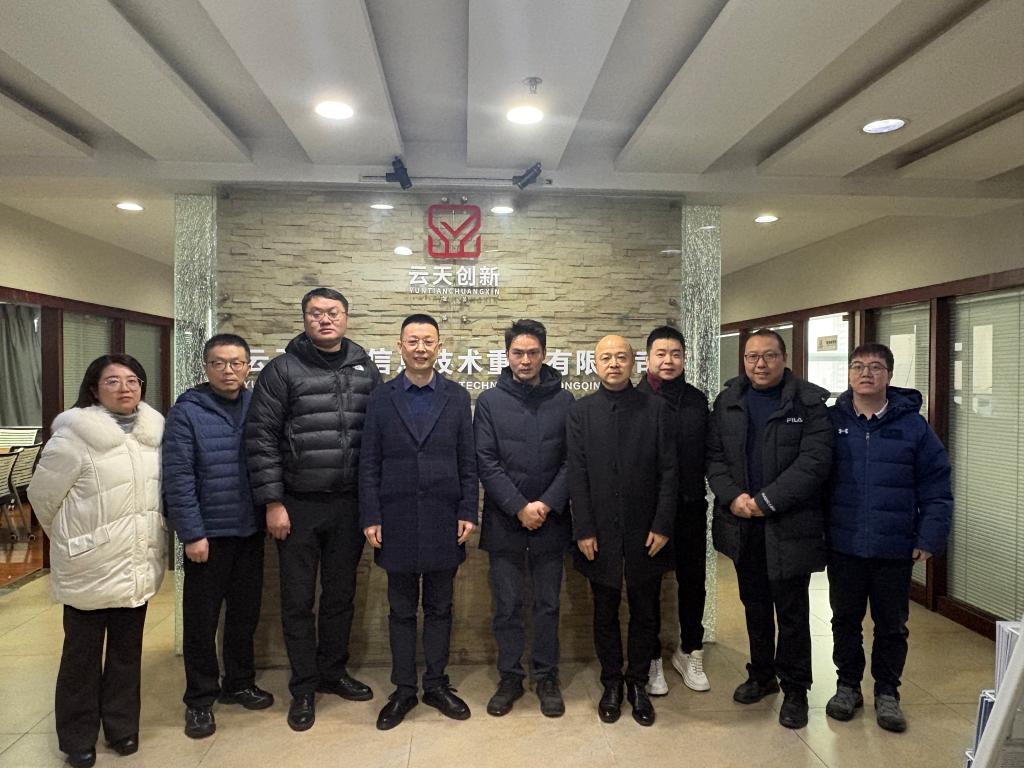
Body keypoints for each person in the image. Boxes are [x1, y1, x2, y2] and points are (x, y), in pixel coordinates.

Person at [245, 287, 381, 731]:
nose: (325, 319)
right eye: (315, 313)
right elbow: (261, 438)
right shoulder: (282, 370)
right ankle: (303, 686)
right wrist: (273, 502)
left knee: (340, 596)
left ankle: (332, 672)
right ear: (304, 319)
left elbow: (378, 436)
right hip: (297, 505)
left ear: (346, 317)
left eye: (333, 312)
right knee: (298, 600)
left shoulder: (364, 368)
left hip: (349, 504)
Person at [27, 354, 166, 768]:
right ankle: (77, 738)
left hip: (135, 560)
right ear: (94, 388)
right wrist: (76, 541)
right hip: (88, 563)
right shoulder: (73, 436)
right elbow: (42, 498)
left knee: (127, 652)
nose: (125, 388)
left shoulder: (154, 434)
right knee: (81, 657)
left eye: (133, 380)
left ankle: (122, 728)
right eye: (113, 381)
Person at [706, 328, 832, 730]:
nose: (760, 364)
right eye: (752, 357)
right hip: (742, 522)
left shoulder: (809, 402)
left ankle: (796, 689)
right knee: (755, 605)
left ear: (784, 358)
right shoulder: (728, 401)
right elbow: (714, 458)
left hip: (789, 523)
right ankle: (761, 674)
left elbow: (814, 462)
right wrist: (734, 498)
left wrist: (767, 500)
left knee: (792, 610)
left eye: (769, 356)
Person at [825, 342, 952, 733]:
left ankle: (887, 692)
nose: (866, 373)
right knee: (845, 620)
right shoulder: (831, 422)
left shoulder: (913, 427)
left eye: (876, 366)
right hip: (844, 542)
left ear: (890, 375)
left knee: (892, 625)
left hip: (894, 546)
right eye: (858, 366)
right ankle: (848, 686)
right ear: (849, 374)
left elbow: (937, 486)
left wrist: (929, 537)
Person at [360, 314, 478, 731]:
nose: (421, 348)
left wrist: (468, 510)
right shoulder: (381, 397)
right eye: (413, 341)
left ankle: (437, 685)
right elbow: (369, 462)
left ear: (439, 347)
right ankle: (404, 689)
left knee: (441, 607)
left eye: (429, 341)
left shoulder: (457, 397)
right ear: (400, 346)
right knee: (401, 610)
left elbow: (468, 461)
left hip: (445, 517)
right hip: (396, 519)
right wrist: (371, 515)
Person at [162, 333, 273, 740]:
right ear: (206, 367)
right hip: (207, 536)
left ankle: (239, 683)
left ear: (248, 367)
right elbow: (178, 478)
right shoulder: (187, 412)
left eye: (237, 363)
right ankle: (199, 700)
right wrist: (191, 533)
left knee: (244, 615)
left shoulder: (257, 405)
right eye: (219, 363)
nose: (229, 371)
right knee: (201, 622)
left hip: (249, 530)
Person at [567, 334, 677, 727]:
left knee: (646, 611)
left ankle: (638, 684)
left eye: (621, 357)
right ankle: (611, 682)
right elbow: (577, 474)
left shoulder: (657, 408)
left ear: (634, 363)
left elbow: (670, 472)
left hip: (647, 530)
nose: (613, 364)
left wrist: (662, 524)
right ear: (594, 364)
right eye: (605, 358)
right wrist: (583, 528)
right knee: (605, 610)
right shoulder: (581, 412)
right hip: (599, 532)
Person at [475, 319, 574, 718]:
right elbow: (485, 460)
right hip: (505, 521)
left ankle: (547, 677)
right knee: (508, 605)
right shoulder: (489, 402)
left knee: (548, 605)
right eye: (518, 353)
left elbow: (572, 461)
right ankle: (510, 677)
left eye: (533, 352)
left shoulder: (565, 401)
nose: (526, 360)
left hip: (551, 520)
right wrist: (519, 506)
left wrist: (545, 505)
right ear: (507, 355)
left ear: (544, 354)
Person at [638, 326, 711, 695]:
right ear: (648, 358)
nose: (668, 361)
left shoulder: (697, 400)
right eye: (661, 354)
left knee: (693, 583)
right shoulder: (634, 398)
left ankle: (690, 650)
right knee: (648, 585)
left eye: (676, 354)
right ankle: (651, 657)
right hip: (646, 512)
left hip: (690, 507)